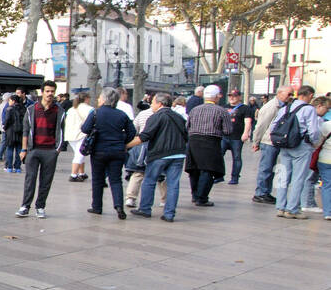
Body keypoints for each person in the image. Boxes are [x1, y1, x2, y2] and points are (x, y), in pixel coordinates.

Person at [128, 92, 189, 222]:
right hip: (178, 153)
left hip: (160, 154)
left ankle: (145, 209)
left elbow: (145, 136)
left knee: (149, 180)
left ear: (160, 104)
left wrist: (125, 145)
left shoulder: (156, 117)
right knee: (173, 184)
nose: (151, 105)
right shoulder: (178, 117)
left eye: (153, 102)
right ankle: (169, 214)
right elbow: (186, 134)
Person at [81, 86, 137, 217]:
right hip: (117, 151)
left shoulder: (95, 113)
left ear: (104, 99)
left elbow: (85, 129)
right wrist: (123, 141)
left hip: (98, 151)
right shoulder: (122, 114)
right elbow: (132, 132)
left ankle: (97, 206)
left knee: (98, 179)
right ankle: (119, 207)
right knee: (116, 180)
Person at [15, 80, 65, 219]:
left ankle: (40, 206)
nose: (50, 94)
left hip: (50, 150)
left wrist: (58, 149)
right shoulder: (32, 110)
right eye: (47, 91)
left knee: (46, 180)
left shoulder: (59, 111)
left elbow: (61, 130)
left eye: (52, 91)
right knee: (30, 178)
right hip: (33, 149)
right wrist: (24, 149)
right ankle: (25, 206)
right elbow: (26, 130)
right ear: (42, 92)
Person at [273, 84, 321, 219]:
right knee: (298, 177)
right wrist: (313, 142)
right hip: (301, 146)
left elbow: (274, 125)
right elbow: (314, 130)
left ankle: (280, 206)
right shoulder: (308, 109)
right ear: (310, 95)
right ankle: (292, 209)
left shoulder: (285, 107)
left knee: (283, 176)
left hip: (284, 145)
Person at [184, 84, 228, 207]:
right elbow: (228, 130)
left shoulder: (194, 110)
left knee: (194, 169)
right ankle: (202, 197)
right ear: (216, 97)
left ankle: (195, 195)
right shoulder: (221, 111)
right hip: (211, 142)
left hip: (193, 140)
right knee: (208, 170)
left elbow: (187, 127)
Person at [250, 84, 293, 203]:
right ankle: (260, 193)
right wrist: (256, 141)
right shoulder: (271, 107)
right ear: (279, 93)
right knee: (266, 168)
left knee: (271, 168)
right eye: (288, 94)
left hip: (277, 141)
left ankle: (265, 192)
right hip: (268, 142)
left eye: (291, 94)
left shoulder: (284, 105)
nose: (291, 96)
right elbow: (261, 125)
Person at [222, 88, 253, 184]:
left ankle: (235, 177)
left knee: (236, 157)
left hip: (236, 137)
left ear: (239, 97)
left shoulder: (245, 108)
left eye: (234, 96)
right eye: (230, 96)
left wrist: (246, 133)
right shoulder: (224, 107)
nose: (232, 98)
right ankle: (219, 175)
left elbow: (248, 122)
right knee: (218, 156)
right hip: (224, 136)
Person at [309, 95, 331, 220]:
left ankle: (328, 212)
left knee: (327, 185)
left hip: (325, 159)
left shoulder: (326, 125)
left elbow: (317, 142)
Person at [65, 92, 92, 181]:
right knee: (79, 155)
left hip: (70, 135)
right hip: (81, 134)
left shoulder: (71, 109)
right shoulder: (89, 109)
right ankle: (73, 175)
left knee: (79, 154)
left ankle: (81, 173)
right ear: (86, 98)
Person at [0, 93, 24, 173]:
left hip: (10, 131)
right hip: (20, 132)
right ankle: (17, 167)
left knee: (9, 149)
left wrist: (4, 127)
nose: (9, 102)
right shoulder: (23, 108)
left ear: (13, 101)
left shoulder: (9, 109)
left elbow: (6, 120)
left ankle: (9, 167)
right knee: (19, 150)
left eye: (9, 100)